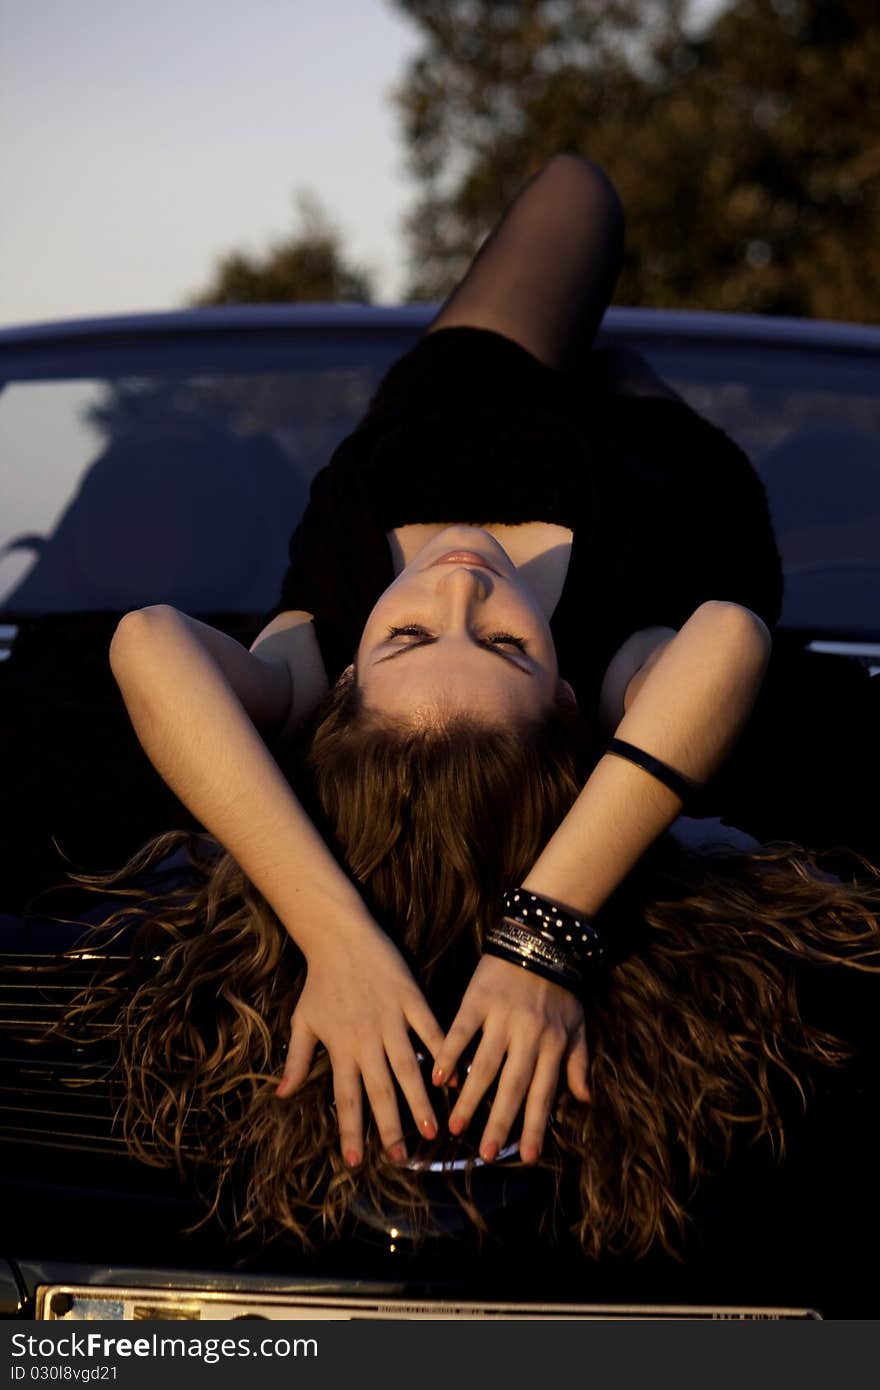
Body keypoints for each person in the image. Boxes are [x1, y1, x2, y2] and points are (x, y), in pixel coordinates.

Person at [72, 154, 879, 1258]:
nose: (459, 582)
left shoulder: (314, 663)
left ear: (351, 680)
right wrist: (536, 943)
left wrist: (338, 940)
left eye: (405, 633)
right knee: (601, 252)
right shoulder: (619, 664)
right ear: (561, 695)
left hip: (477, 379)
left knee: (573, 198)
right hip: (676, 462)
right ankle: (634, 388)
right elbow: (730, 638)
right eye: (502, 644)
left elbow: (145, 641)